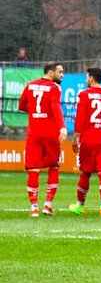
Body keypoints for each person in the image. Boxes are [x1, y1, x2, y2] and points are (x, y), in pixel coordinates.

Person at [69, 68, 101, 216]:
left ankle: (80, 205)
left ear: (91, 78)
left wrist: (76, 137)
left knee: (85, 172)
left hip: (89, 138)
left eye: (87, 77)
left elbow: (80, 117)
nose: (86, 80)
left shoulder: (84, 94)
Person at [18, 62, 66, 217]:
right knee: (54, 167)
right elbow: (55, 107)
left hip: (34, 133)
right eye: (60, 72)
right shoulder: (54, 87)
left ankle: (34, 209)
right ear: (51, 73)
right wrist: (62, 127)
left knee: (33, 169)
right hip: (50, 133)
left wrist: (35, 112)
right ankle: (47, 206)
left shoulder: (30, 85)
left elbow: (21, 105)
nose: (62, 75)